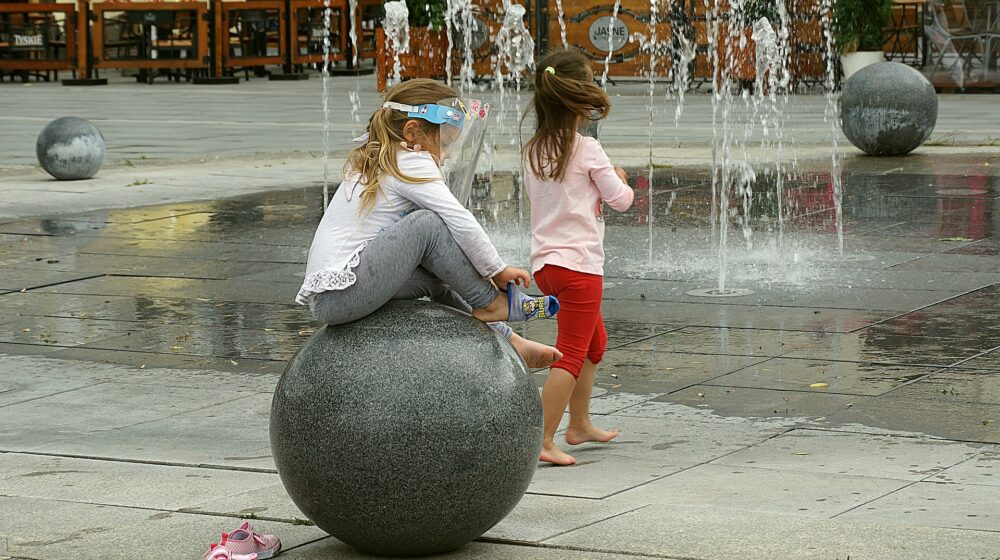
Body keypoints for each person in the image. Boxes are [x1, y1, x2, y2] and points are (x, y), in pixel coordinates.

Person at [296, 78, 562, 368]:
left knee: (440, 273)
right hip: (343, 293)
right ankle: (490, 302)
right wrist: (496, 270)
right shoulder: (409, 158)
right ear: (412, 132)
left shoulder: (388, 158)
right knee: (428, 225)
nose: (446, 155)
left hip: (336, 299)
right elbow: (456, 217)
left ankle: (509, 340)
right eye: (445, 144)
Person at [523, 50, 635, 465]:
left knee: (594, 344)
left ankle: (580, 424)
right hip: (580, 267)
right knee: (571, 352)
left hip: (547, 266)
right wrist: (621, 179)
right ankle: (544, 438)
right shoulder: (587, 149)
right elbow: (620, 201)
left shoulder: (534, 149)